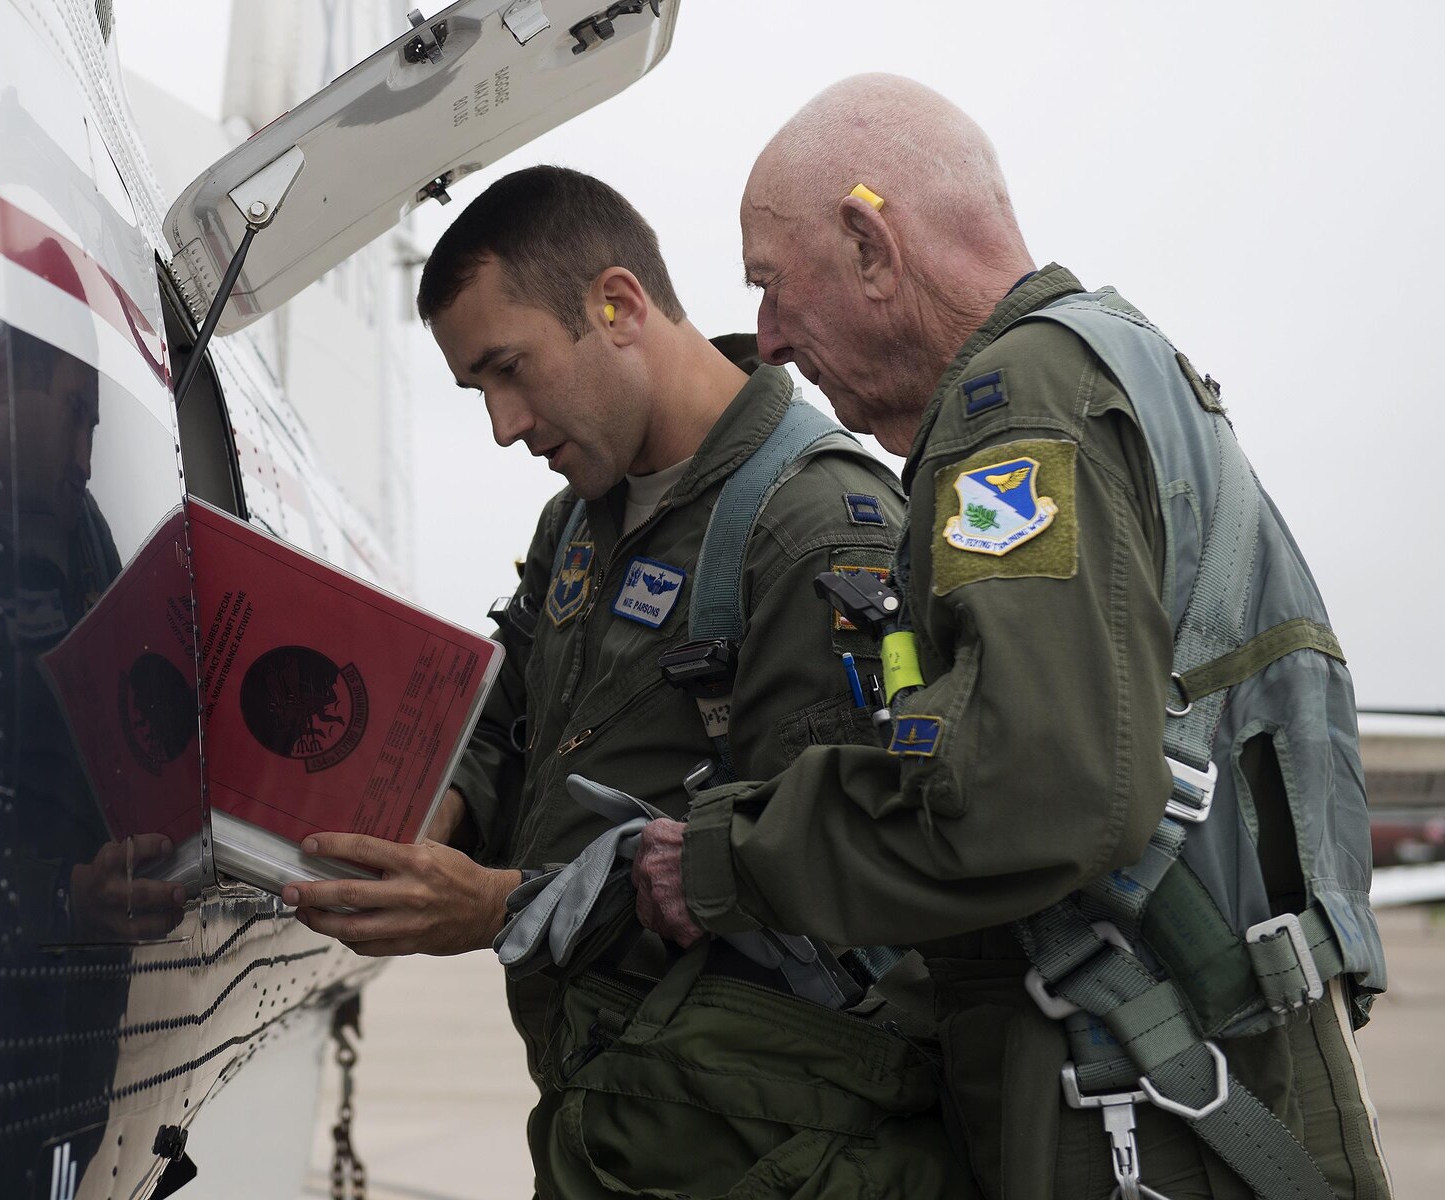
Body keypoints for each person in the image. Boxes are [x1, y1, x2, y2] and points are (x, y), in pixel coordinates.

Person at [630, 73, 1394, 1199]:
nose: (771, 342)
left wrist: (725, 856)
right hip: (1204, 1058)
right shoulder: (1120, 363)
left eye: (773, 290)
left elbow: (1041, 788)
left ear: (868, 245)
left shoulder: (1016, 407)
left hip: (1141, 1096)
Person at [282, 166, 971, 1198]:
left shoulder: (815, 526)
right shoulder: (577, 522)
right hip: (619, 1119)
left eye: (510, 371)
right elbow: (502, 719)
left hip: (780, 1143)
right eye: (477, 392)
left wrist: (500, 908)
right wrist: (427, 827)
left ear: (615, 305)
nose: (504, 426)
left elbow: (831, 869)